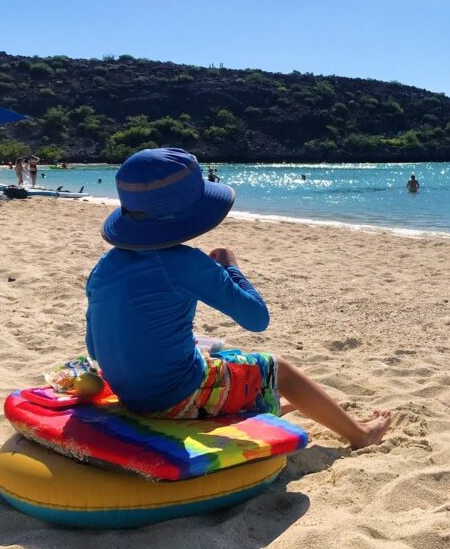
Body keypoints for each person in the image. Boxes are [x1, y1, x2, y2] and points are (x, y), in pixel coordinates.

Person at [85, 148, 391, 448]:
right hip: (173, 399)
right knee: (279, 369)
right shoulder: (185, 262)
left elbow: (94, 347)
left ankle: (271, 403)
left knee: (210, 348)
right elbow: (257, 318)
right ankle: (361, 435)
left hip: (130, 394)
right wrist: (231, 267)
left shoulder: (105, 265)